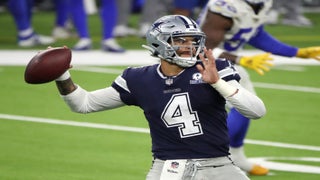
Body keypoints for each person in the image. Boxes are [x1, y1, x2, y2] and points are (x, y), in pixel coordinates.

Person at [53, 15, 267, 179]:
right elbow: (83, 103)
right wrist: (62, 74)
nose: (189, 46)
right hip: (169, 168)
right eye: (181, 40)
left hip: (219, 166)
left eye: (194, 41)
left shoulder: (213, 68)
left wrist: (217, 82)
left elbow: (257, 111)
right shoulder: (138, 78)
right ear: (160, 43)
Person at [198, 0, 320, 175]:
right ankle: (216, 161)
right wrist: (240, 59)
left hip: (224, 63)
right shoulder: (224, 7)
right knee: (241, 106)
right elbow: (202, 48)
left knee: (244, 106)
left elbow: (254, 34)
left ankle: (233, 157)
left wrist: (295, 52)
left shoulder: (259, 4)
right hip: (201, 63)